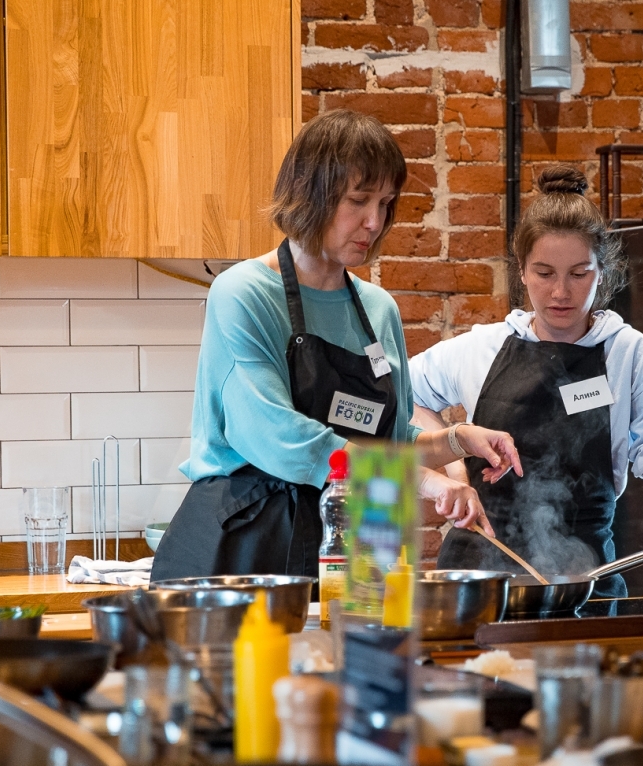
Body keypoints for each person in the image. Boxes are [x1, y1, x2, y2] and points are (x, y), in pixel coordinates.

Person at [152, 110, 519, 582]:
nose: (374, 221)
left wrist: (455, 441)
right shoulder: (242, 293)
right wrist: (425, 480)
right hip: (253, 544)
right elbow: (278, 436)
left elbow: (388, 442)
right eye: (358, 200)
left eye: (385, 203)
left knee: (366, 656)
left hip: (360, 542)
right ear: (311, 193)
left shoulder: (377, 309)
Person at [407, 165, 643, 597]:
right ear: (522, 271)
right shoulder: (482, 348)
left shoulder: (627, 353)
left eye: (578, 273)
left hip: (585, 587)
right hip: (479, 588)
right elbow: (404, 400)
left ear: (602, 271)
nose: (560, 293)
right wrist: (454, 459)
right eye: (544, 274)